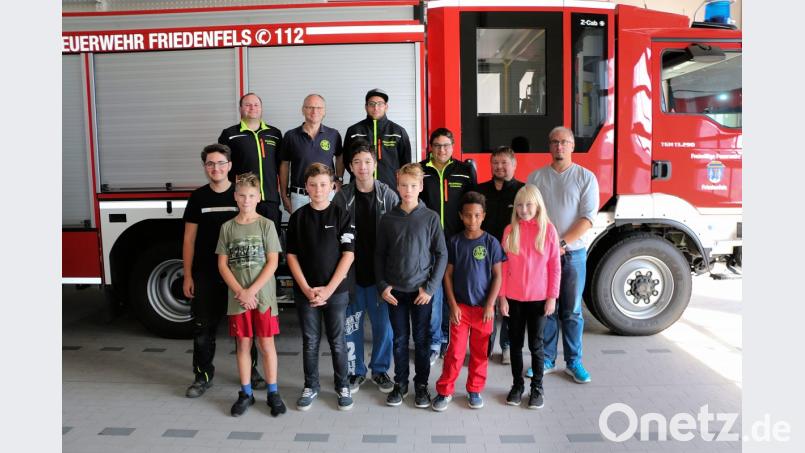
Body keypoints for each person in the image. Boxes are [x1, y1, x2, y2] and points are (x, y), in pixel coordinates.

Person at [183, 144, 265, 399]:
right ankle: (202, 376)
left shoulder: (242, 194)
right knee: (203, 328)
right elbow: (189, 240)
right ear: (205, 167)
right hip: (207, 274)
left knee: (245, 330)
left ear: (229, 166)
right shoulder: (198, 198)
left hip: (241, 277)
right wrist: (188, 274)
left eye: (220, 163)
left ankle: (251, 373)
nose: (215, 168)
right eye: (210, 164)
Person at [527, 126, 599, 384]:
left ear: (572, 146)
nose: (559, 146)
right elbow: (529, 215)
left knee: (572, 310)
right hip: (543, 256)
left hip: (573, 255)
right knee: (547, 309)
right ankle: (546, 359)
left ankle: (573, 361)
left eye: (564, 142)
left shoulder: (585, 177)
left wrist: (561, 242)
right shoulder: (536, 178)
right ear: (549, 146)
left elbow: (587, 218)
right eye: (554, 141)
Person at [376, 163, 447, 408]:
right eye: (404, 185)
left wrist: (430, 288)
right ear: (397, 186)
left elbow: (442, 254)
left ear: (420, 187)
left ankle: (421, 386)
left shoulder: (430, 218)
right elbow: (379, 256)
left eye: (413, 186)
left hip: (421, 294)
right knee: (399, 340)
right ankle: (401, 384)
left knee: (422, 340)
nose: (408, 190)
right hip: (395, 292)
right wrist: (383, 286)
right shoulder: (388, 219)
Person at [286, 163, 355, 411]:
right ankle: (311, 385)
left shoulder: (342, 215)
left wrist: (327, 290)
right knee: (310, 340)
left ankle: (342, 385)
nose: (318, 189)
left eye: (323, 184)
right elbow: (291, 256)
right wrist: (306, 289)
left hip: (335, 293)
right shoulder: (297, 218)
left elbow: (348, 255)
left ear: (332, 187)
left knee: (338, 340)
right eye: (313, 185)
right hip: (306, 293)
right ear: (306, 187)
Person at [215, 172, 286, 417]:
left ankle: (273, 392)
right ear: (235, 197)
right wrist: (240, 292)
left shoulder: (266, 225)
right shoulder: (227, 228)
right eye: (242, 195)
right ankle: (246, 392)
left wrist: (252, 291)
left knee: (266, 344)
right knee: (243, 344)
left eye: (251, 196)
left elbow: (273, 262)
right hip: (238, 301)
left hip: (263, 298)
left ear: (258, 197)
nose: (246, 200)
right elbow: (223, 265)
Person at [333, 140, 399, 394]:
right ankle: (355, 371)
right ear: (350, 166)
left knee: (384, 328)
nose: (362, 167)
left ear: (375, 165)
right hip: (351, 275)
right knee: (352, 326)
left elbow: (399, 235)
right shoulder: (342, 197)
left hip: (381, 276)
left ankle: (380, 370)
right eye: (357, 162)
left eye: (367, 162)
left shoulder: (388, 195)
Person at [431, 192, 504, 412]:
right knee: (455, 353)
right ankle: (445, 391)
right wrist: (452, 305)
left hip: (484, 311)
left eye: (477, 216)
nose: (472, 220)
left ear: (483, 217)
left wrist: (491, 304)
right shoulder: (454, 242)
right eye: (468, 216)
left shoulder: (491, 243)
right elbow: (447, 276)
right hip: (460, 310)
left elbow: (498, 275)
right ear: (461, 216)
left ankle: (475, 389)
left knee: (480, 353)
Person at [419, 128, 477, 364]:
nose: (441, 150)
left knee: (455, 294)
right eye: (437, 145)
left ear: (453, 147)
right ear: (430, 147)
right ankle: (435, 341)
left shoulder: (464, 171)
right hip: (431, 243)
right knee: (434, 294)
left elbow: (473, 204)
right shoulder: (421, 170)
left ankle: (450, 339)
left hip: (458, 241)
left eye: (446, 145)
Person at [499, 184, 560, 409]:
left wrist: (552, 296)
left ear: (538, 206)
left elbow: (555, 266)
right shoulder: (509, 231)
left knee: (536, 345)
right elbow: (503, 267)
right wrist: (502, 297)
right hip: (514, 300)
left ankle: (537, 388)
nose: (524, 209)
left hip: (538, 300)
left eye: (528, 205)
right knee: (515, 345)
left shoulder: (548, 231)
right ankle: (517, 385)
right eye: (519, 205)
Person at [476, 146, 525, 364]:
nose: (500, 167)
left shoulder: (523, 191)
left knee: (509, 304)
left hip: (512, 255)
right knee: (486, 301)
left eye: (504, 162)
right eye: (495, 163)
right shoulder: (480, 191)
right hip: (483, 255)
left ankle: (507, 345)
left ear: (514, 165)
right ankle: (484, 345)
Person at [217, 93, 283, 231]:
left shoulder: (275, 133)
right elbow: (221, 166)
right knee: (242, 243)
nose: (252, 107)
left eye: (256, 104)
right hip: (243, 201)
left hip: (269, 200)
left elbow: (282, 166)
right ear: (240, 108)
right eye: (247, 105)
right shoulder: (229, 134)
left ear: (261, 108)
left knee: (270, 245)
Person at [280, 94, 344, 213]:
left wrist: (339, 180)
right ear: (303, 110)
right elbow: (284, 165)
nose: (314, 111)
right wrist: (284, 195)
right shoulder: (290, 136)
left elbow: (340, 157)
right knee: (300, 231)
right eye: (310, 107)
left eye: (319, 108)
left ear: (324, 111)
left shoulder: (333, 135)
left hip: (327, 195)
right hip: (299, 197)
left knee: (328, 230)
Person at [342, 88, 412, 190]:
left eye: (380, 104)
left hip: (390, 189)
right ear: (366, 107)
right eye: (371, 104)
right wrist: (361, 175)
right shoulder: (354, 131)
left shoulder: (398, 132)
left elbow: (406, 164)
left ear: (386, 107)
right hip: (359, 188)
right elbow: (347, 160)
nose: (375, 108)